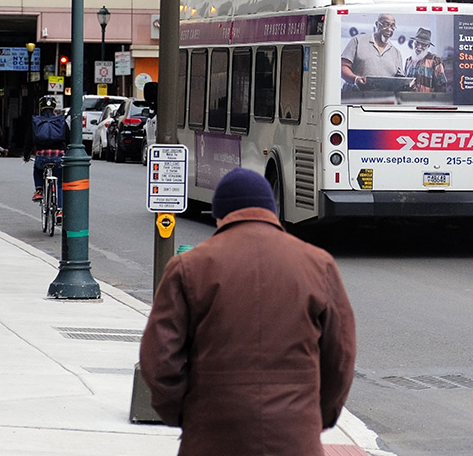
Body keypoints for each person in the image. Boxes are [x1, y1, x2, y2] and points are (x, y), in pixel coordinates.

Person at [140, 167, 356, 456]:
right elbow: (340, 355)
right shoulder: (318, 264)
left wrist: (184, 414)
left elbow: (161, 360)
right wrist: (317, 414)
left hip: (212, 434)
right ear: (271, 210)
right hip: (294, 435)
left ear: (219, 214)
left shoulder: (188, 267)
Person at [22, 96, 70, 222]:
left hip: (42, 157)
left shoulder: (36, 121)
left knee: (37, 169)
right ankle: (60, 210)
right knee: (59, 182)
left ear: (41, 107)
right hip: (58, 156)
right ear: (54, 107)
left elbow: (29, 140)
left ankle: (39, 190)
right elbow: (68, 139)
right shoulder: (61, 121)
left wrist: (26, 155)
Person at [341, 13, 403, 90]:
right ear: (377, 24)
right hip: (354, 97)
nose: (389, 29)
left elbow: (399, 79)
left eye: (392, 26)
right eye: (385, 24)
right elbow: (342, 67)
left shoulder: (396, 53)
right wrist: (355, 79)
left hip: (383, 99)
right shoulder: (358, 41)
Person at [404, 28, 448, 93]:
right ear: (413, 43)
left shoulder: (435, 61)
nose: (419, 47)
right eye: (417, 43)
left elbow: (441, 86)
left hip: (428, 101)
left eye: (423, 44)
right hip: (409, 100)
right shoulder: (408, 61)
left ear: (428, 46)